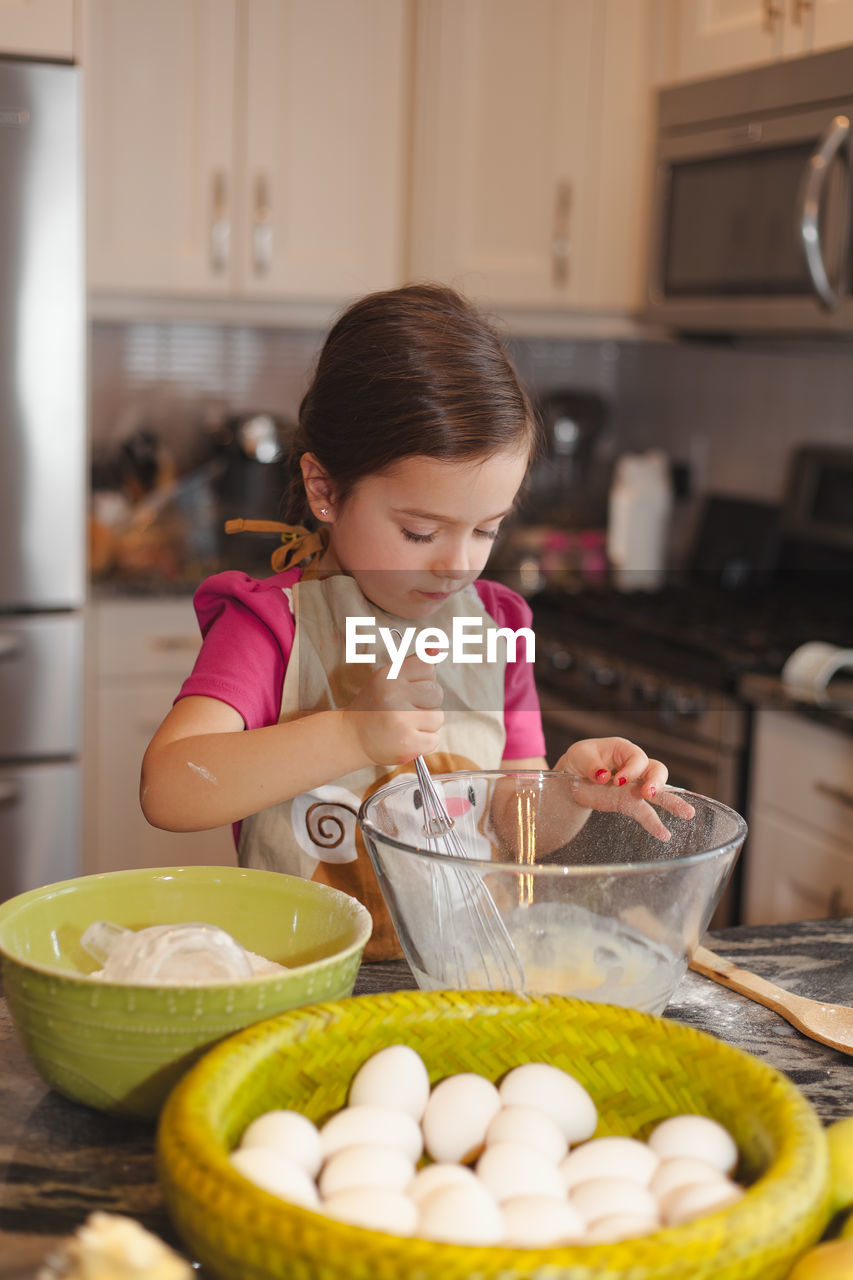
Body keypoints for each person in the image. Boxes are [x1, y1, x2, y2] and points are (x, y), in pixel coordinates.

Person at [141, 283, 690, 959]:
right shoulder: (270, 626)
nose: (456, 566)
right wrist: (349, 734)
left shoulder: (496, 628)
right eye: (419, 531)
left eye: (486, 530)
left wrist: (567, 792)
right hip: (302, 985)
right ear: (325, 490)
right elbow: (169, 789)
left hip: (460, 973)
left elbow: (511, 823)